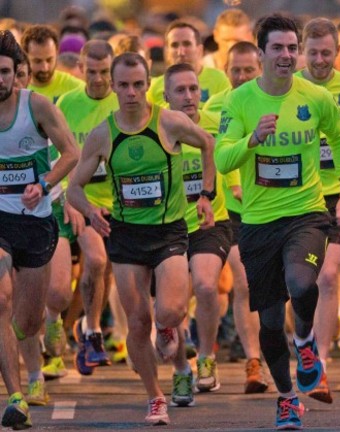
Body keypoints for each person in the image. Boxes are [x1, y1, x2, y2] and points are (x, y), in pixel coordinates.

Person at [216, 14, 340, 429]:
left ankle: (307, 340)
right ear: (260, 53)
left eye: (292, 48)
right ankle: (286, 396)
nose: (286, 55)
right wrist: (252, 140)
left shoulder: (315, 96)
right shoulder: (239, 101)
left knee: (303, 283)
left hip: (306, 213)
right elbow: (223, 159)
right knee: (271, 323)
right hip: (258, 221)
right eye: (277, 48)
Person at [67, 52, 215, 426]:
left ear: (148, 84)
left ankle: (170, 334)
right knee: (136, 323)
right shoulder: (103, 134)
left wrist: (206, 195)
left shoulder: (169, 122)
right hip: (126, 235)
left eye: (138, 84)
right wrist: (90, 211)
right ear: (113, 87)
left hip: (168, 231)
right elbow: (74, 188)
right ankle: (155, 398)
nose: (131, 92)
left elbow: (208, 144)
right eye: (124, 85)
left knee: (170, 311)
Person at [0, 30, 79, 430]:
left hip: (35, 221)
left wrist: (44, 184)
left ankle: (31, 352)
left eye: (4, 72)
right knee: (0, 296)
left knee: (27, 320)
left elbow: (72, 153)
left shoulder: (38, 106)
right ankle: (16, 395)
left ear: (17, 74)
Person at [162, 62, 234, 406]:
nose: (190, 96)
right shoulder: (157, 128)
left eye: (194, 89)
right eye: (181, 90)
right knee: (171, 309)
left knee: (206, 285)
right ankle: (181, 371)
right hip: (169, 225)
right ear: (166, 96)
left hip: (211, 221)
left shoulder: (218, 125)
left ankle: (206, 357)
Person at [298, 17, 340, 384]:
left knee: (327, 275)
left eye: (327, 53)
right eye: (313, 53)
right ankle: (304, 343)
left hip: (339, 194)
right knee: (301, 282)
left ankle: (319, 362)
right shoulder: (290, 87)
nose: (320, 60)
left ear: (338, 51)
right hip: (299, 195)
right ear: (302, 52)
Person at [204, 41, 270, 394]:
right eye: (236, 70)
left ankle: (256, 358)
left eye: (248, 69)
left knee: (249, 286)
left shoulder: (272, 104)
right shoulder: (215, 108)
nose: (242, 76)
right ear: (225, 70)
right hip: (222, 211)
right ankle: (242, 360)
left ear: (259, 67)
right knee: (222, 285)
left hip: (261, 208)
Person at [57, 40, 119, 378]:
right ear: (80, 68)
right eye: (91, 72)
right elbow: (59, 154)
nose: (98, 79)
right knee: (96, 260)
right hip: (81, 201)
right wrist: (70, 197)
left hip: (121, 202)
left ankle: (85, 328)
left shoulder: (121, 101)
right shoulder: (67, 103)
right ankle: (92, 331)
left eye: (104, 72)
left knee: (106, 272)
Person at [147, 20, 230, 108]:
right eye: (174, 45)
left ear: (200, 50)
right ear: (167, 52)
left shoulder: (221, 80)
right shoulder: (154, 88)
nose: (181, 52)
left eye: (187, 44)